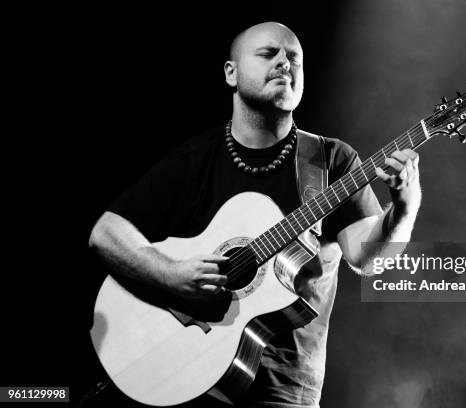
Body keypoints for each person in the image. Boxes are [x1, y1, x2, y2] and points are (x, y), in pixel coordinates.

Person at [88, 21, 421, 408]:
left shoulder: (330, 160)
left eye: (294, 58)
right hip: (185, 378)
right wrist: (172, 274)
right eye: (268, 54)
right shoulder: (199, 158)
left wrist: (404, 204)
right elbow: (106, 232)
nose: (284, 63)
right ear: (231, 72)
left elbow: (369, 260)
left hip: (283, 392)